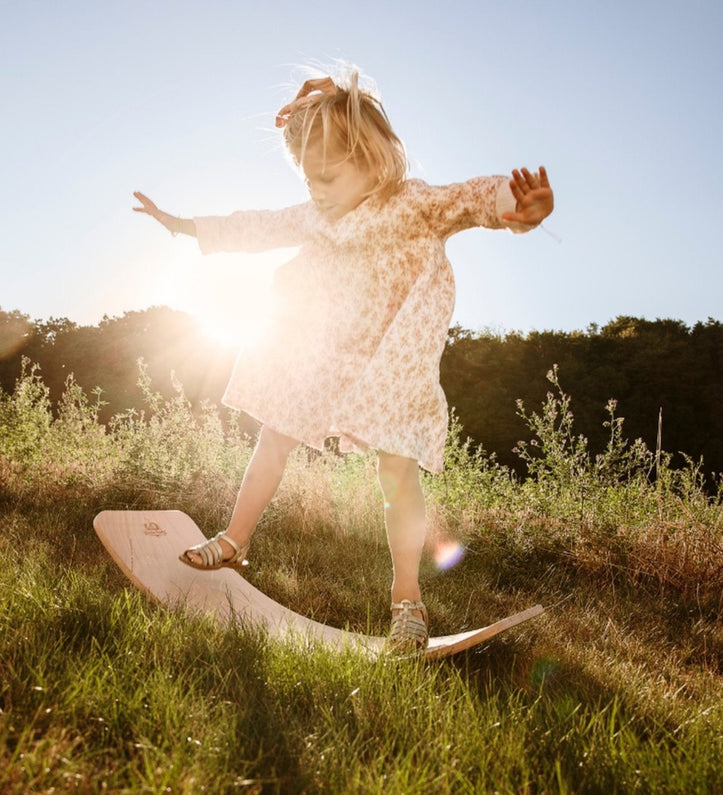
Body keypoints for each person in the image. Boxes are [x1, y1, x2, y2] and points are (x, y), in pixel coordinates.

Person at [133, 69, 554, 652]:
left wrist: (519, 207)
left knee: (395, 474)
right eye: (308, 180)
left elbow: (473, 198)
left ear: (372, 160)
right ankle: (234, 539)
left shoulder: (411, 205)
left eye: (327, 177)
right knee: (274, 433)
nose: (317, 192)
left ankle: (407, 601)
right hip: (322, 349)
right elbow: (258, 226)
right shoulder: (314, 215)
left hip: (389, 362)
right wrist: (185, 226)